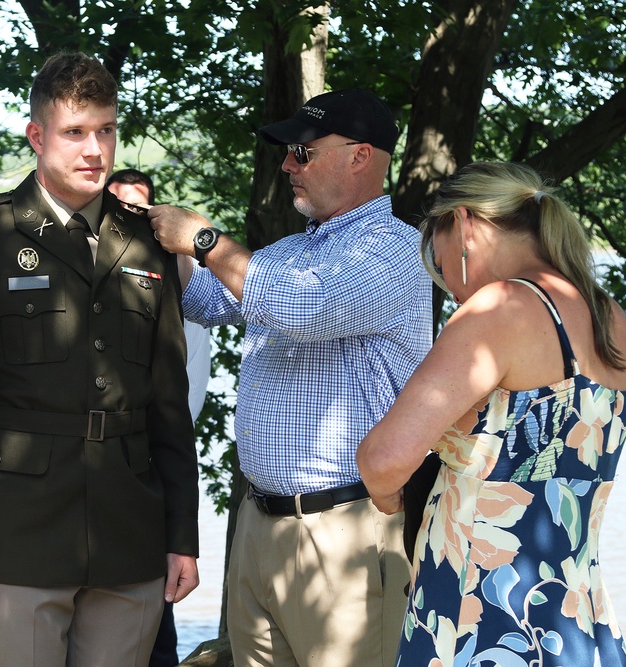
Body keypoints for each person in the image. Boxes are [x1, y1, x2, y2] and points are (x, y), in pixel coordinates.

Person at [0, 53, 200, 667]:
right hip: (16, 535)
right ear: (37, 136)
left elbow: (170, 403)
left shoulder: (150, 236)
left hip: (132, 529)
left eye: (106, 130)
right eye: (75, 132)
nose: (95, 149)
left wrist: (182, 536)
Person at [149, 88, 433, 667]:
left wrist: (204, 240)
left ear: (359, 157)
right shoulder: (292, 251)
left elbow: (302, 308)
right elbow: (205, 299)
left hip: (347, 532)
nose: (286, 165)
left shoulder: (397, 251)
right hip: (261, 526)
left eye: (302, 153)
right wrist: (144, 233)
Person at [356, 162, 626, 666]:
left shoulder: (499, 308)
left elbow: (384, 457)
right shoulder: (609, 315)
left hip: (479, 614)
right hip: (575, 615)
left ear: (462, 224)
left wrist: (388, 496)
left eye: (437, 262)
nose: (445, 281)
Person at [106, 168, 211, 667]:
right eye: (119, 205)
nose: (130, 217)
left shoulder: (177, 297)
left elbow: (180, 414)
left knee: (152, 637)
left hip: (146, 482)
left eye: (140, 209)